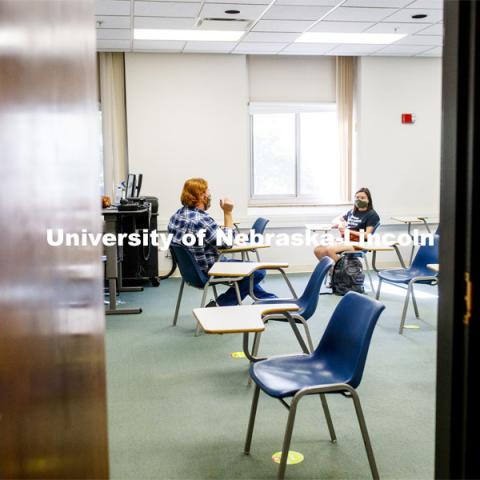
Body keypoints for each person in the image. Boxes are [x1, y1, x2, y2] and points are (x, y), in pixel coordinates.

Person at [168, 178, 277, 306]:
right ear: (201, 196)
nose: (210, 194)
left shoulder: (176, 216)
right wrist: (228, 212)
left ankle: (270, 300)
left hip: (190, 272)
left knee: (248, 275)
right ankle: (220, 304)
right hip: (208, 270)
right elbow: (227, 243)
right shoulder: (201, 219)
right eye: (207, 191)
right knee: (258, 271)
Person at [314, 187, 380, 262]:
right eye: (357, 197)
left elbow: (367, 235)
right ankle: (332, 271)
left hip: (359, 244)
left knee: (330, 250)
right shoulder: (352, 212)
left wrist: (348, 231)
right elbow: (336, 220)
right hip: (345, 241)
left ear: (368, 200)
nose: (359, 200)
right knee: (318, 250)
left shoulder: (372, 214)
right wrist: (340, 224)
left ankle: (342, 271)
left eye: (362, 198)